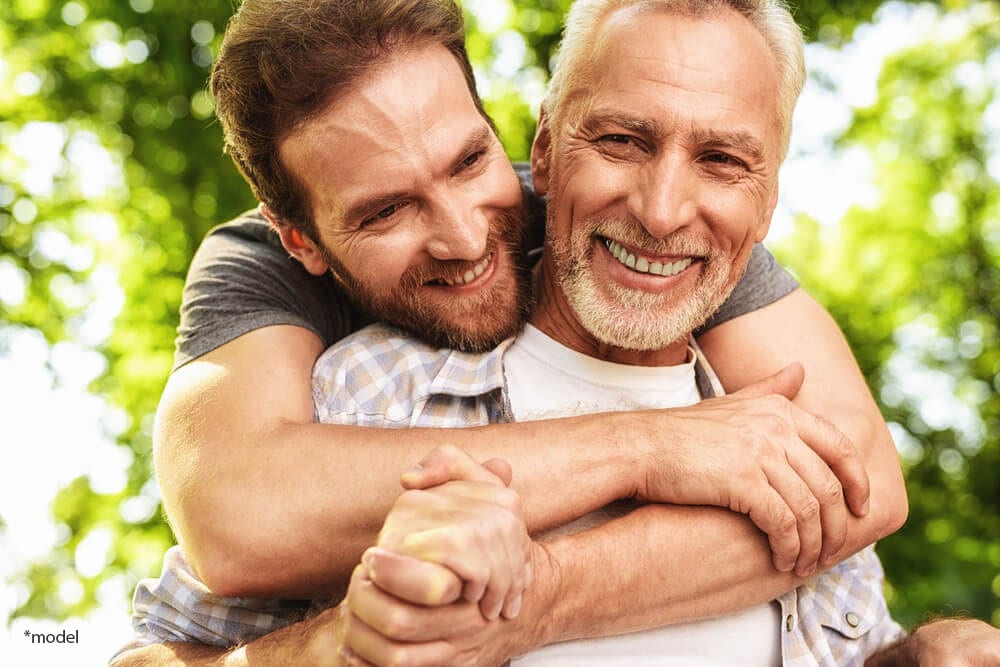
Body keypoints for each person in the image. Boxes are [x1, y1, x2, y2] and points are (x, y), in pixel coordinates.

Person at [113, 1, 1000, 664]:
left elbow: (865, 493)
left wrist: (918, 654)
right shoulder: (359, 388)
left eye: (469, 162)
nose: (660, 210)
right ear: (552, 145)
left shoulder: (772, 409)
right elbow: (220, 541)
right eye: (619, 139)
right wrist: (339, 644)